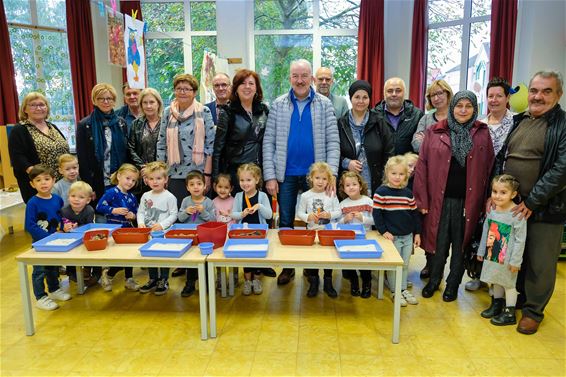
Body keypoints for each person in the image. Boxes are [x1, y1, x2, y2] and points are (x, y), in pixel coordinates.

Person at [494, 70, 566, 335]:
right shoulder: (519, 120)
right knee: (516, 256)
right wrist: (497, 192)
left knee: (540, 260)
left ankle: (533, 311)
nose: (538, 96)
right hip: (511, 206)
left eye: (547, 91)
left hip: (545, 207)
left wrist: (532, 201)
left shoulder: (562, 124)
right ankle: (519, 299)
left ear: (558, 95)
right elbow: (502, 156)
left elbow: (561, 169)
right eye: (535, 90)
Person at [263, 59, 339, 285]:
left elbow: (333, 142)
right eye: (295, 76)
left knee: (316, 221)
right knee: (285, 220)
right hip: (284, 174)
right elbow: (269, 142)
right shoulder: (278, 104)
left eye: (304, 75)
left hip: (316, 178)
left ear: (312, 79)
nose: (300, 80)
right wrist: (269, 175)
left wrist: (331, 174)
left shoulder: (324, 105)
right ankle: (287, 267)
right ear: (290, 79)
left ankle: (313, 268)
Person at [414, 90, 494, 302]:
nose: (463, 110)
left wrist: (487, 198)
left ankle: (452, 284)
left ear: (475, 109)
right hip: (439, 200)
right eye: (459, 106)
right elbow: (422, 167)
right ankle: (434, 280)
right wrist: (421, 199)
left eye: (468, 106)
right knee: (438, 244)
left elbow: (490, 167)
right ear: (452, 107)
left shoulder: (482, 133)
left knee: (461, 245)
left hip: (468, 202)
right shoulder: (434, 131)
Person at [466, 77, 515, 292]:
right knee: (479, 231)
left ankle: (497, 281)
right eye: (490, 96)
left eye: (499, 95)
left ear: (507, 98)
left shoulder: (516, 123)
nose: (494, 100)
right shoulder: (479, 125)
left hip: (505, 188)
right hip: (481, 184)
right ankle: (478, 274)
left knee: (500, 233)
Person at [156, 74, 215, 206]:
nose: (182, 92)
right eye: (179, 88)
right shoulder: (167, 112)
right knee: (178, 214)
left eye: (187, 89)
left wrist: (207, 174)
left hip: (198, 174)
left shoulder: (204, 112)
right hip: (174, 173)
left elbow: (210, 145)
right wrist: (161, 174)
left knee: (199, 214)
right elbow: (161, 143)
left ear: (194, 92)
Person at [476, 175, 526, 326]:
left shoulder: (517, 215)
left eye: (503, 192)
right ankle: (496, 304)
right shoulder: (493, 210)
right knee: (495, 279)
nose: (497, 196)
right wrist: (481, 250)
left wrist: (516, 261)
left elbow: (520, 239)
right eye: (495, 191)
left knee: (509, 284)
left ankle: (509, 312)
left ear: (513, 194)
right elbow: (486, 230)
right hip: (493, 253)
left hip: (509, 258)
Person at [373, 156, 421, 307]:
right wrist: (383, 231)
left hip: (407, 236)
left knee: (405, 264)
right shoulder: (381, 192)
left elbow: (414, 214)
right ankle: (395, 291)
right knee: (395, 265)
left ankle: (403, 289)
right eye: (393, 173)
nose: (397, 177)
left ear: (406, 176)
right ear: (387, 173)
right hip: (391, 237)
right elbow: (377, 214)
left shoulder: (408, 193)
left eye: (401, 174)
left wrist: (417, 233)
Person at [212, 69, 269, 192]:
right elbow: (218, 148)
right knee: (239, 210)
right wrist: (217, 178)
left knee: (259, 209)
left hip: (260, 172)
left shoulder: (264, 110)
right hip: (237, 173)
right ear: (236, 88)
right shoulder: (227, 112)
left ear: (257, 88)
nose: (247, 87)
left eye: (251, 83)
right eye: (242, 83)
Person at [8, 92, 70, 203]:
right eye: (33, 105)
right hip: (39, 184)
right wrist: (39, 176)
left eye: (42, 105)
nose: (38, 108)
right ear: (25, 109)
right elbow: (17, 158)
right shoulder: (19, 130)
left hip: (61, 181)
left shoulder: (52, 126)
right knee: (44, 217)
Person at [25, 165, 71, 310]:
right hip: (40, 244)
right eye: (38, 180)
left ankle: (54, 289)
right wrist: (48, 238)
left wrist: (65, 227)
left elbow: (62, 218)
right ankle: (40, 297)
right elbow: (30, 226)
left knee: (53, 267)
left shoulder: (57, 199)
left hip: (55, 241)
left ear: (53, 180)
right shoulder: (32, 203)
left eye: (46, 179)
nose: (43, 183)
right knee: (39, 271)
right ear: (32, 184)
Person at [338, 80, 394, 196]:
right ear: (351, 98)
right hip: (348, 187)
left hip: (376, 185)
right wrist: (346, 162)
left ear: (369, 99)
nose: (361, 101)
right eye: (357, 97)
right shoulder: (340, 124)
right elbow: (333, 152)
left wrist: (386, 177)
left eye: (365, 97)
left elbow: (390, 152)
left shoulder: (380, 122)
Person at [76, 83, 128, 206]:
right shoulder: (85, 125)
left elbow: (126, 153)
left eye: (109, 98)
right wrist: (89, 187)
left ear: (114, 101)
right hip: (97, 180)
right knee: (101, 215)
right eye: (101, 98)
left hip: (118, 179)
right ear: (95, 100)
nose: (105, 102)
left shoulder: (121, 123)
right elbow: (83, 159)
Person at [297, 162, 341, 298]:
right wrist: (308, 217)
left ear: (329, 180)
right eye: (317, 178)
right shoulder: (305, 196)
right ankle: (314, 282)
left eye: (324, 179)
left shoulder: (331, 195)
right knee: (313, 258)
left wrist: (329, 215)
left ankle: (328, 283)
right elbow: (300, 213)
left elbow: (338, 211)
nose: (320, 182)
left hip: (328, 233)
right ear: (311, 178)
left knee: (329, 258)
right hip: (312, 233)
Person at [96, 163, 141, 292]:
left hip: (128, 230)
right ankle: (108, 274)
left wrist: (133, 215)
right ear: (119, 176)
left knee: (130, 255)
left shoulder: (132, 197)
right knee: (119, 257)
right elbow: (99, 207)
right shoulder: (111, 192)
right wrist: (113, 210)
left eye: (133, 180)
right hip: (114, 229)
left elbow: (136, 212)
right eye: (128, 178)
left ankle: (129, 279)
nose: (130, 182)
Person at [231, 163, 273, 295]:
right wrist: (242, 214)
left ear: (257, 180)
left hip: (259, 233)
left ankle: (256, 280)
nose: (245, 183)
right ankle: (248, 281)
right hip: (244, 233)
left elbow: (269, 215)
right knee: (246, 257)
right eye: (242, 180)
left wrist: (259, 206)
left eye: (248, 180)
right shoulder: (238, 196)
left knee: (257, 257)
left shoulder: (262, 196)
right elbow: (234, 214)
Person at [137, 161, 179, 296]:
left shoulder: (170, 197)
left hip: (164, 233)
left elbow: (174, 215)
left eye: (159, 178)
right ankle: (153, 278)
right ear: (146, 180)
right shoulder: (145, 196)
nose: (155, 182)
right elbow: (141, 212)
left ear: (165, 179)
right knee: (150, 256)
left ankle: (164, 280)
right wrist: (141, 223)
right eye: (151, 179)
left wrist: (162, 225)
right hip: (149, 233)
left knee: (163, 256)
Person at [178, 170, 215, 297]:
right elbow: (180, 218)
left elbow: (213, 220)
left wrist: (203, 212)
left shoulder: (208, 202)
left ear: (205, 186)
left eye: (199, 184)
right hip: (189, 236)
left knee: (205, 260)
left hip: (205, 236)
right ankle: (190, 284)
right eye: (192, 184)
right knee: (191, 261)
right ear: (187, 188)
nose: (196, 187)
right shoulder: (185, 201)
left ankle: (207, 283)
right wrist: (186, 212)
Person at [338, 171, 374, 297]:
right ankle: (354, 283)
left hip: (365, 237)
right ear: (343, 188)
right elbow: (337, 224)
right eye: (347, 185)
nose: (351, 187)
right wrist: (344, 220)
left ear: (360, 185)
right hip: (349, 239)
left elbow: (375, 221)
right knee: (350, 262)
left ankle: (367, 284)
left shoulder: (368, 201)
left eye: (354, 184)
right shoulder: (342, 204)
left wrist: (363, 219)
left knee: (365, 263)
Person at [374, 77, 424, 155]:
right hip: (382, 166)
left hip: (407, 166)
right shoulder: (373, 115)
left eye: (398, 91)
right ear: (384, 94)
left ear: (404, 93)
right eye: (390, 91)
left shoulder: (418, 115)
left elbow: (422, 145)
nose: (394, 94)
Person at [128, 88, 164, 196]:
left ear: (158, 103)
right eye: (145, 103)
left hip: (162, 174)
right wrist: (144, 168)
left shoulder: (167, 122)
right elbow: (130, 148)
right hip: (141, 174)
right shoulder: (136, 124)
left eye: (152, 102)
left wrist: (156, 169)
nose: (148, 106)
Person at [61, 181, 95, 283]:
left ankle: (90, 270)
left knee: (90, 253)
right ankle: (71, 272)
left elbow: (89, 227)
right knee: (70, 255)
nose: (76, 199)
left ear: (88, 200)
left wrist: (78, 228)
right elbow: (62, 225)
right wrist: (65, 227)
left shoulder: (89, 210)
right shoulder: (64, 210)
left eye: (81, 197)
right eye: (73, 196)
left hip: (86, 238)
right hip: (70, 239)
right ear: (68, 197)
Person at [412, 79, 453, 152]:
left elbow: (457, 147)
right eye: (433, 95)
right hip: (429, 163)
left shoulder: (457, 119)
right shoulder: (425, 119)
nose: (436, 98)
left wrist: (427, 141)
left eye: (440, 93)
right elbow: (416, 144)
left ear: (448, 94)